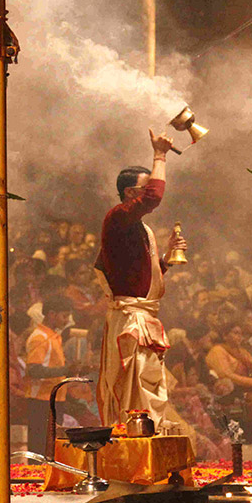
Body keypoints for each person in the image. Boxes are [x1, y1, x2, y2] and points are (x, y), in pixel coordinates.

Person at [94, 130, 187, 426]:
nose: (149, 193)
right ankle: (132, 450)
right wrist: (159, 155)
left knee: (149, 386)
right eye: (143, 188)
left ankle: (148, 442)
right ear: (130, 194)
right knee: (134, 392)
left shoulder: (139, 229)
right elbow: (155, 198)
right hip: (131, 320)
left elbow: (136, 274)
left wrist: (167, 259)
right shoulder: (117, 218)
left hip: (143, 317)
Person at [24, 295, 74, 453]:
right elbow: (34, 370)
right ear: (52, 314)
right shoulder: (40, 337)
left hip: (55, 398)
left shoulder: (54, 337)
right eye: (64, 316)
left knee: (52, 447)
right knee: (40, 447)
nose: (66, 320)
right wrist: (66, 370)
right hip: (41, 401)